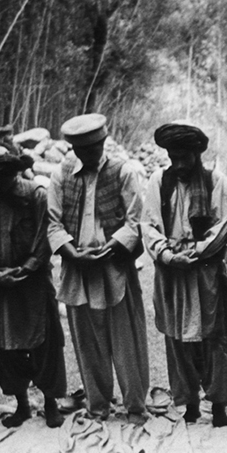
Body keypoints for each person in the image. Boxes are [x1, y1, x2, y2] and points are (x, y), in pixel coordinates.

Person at [46, 113, 150, 422]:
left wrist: (113, 246)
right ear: (73, 149)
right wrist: (72, 253)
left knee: (126, 339)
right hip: (78, 267)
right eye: (81, 150)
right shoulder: (61, 174)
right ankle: (98, 405)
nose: (88, 154)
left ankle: (134, 406)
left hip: (114, 264)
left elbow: (134, 221)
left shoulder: (123, 171)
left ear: (104, 142)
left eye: (93, 148)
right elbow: (52, 223)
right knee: (87, 341)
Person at [139, 120, 227, 427]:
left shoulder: (214, 181)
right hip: (171, 272)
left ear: (197, 155)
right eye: (174, 157)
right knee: (177, 338)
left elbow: (223, 226)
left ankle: (219, 405)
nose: (180, 164)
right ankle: (189, 403)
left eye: (186, 158)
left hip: (204, 271)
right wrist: (168, 255)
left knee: (214, 338)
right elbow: (149, 224)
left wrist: (195, 253)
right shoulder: (158, 181)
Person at [0, 145, 66, 428]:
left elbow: (45, 237)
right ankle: (22, 405)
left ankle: (50, 403)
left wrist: (27, 268)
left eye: (1, 178)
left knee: (44, 343)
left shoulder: (36, 195)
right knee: (4, 345)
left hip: (32, 283)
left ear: (14, 173)